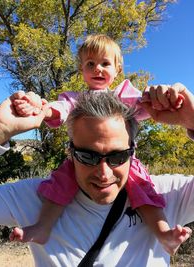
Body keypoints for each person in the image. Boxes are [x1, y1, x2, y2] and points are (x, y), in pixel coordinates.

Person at [11, 34, 184, 255]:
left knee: (144, 189)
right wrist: (43, 109)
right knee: (59, 184)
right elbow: (61, 109)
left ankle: (163, 234)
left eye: (105, 63)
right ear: (81, 69)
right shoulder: (77, 99)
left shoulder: (123, 95)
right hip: (80, 160)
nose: (98, 69)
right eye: (90, 64)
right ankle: (43, 227)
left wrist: (165, 98)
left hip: (123, 161)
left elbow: (147, 106)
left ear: (117, 69)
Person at [0, 86, 193, 267]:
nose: (104, 173)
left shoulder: (166, 195)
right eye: (87, 156)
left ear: (133, 151)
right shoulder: (35, 198)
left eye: (118, 156)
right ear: (70, 153)